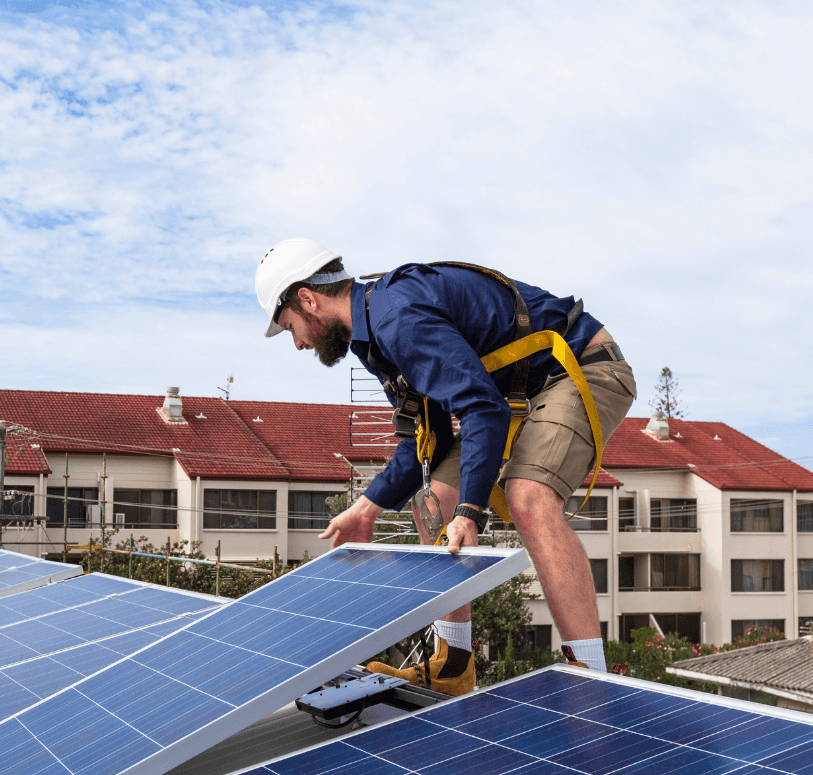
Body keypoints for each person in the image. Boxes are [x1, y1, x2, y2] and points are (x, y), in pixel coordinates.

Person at [254, 238, 636, 693]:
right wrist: (367, 508)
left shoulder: (397, 317)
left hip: (580, 367)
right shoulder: (373, 337)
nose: (297, 343)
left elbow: (482, 410)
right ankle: (452, 667)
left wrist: (470, 512)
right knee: (433, 500)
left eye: (290, 326)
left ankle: (590, 678)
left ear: (308, 299)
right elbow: (426, 440)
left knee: (527, 497)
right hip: (515, 395)